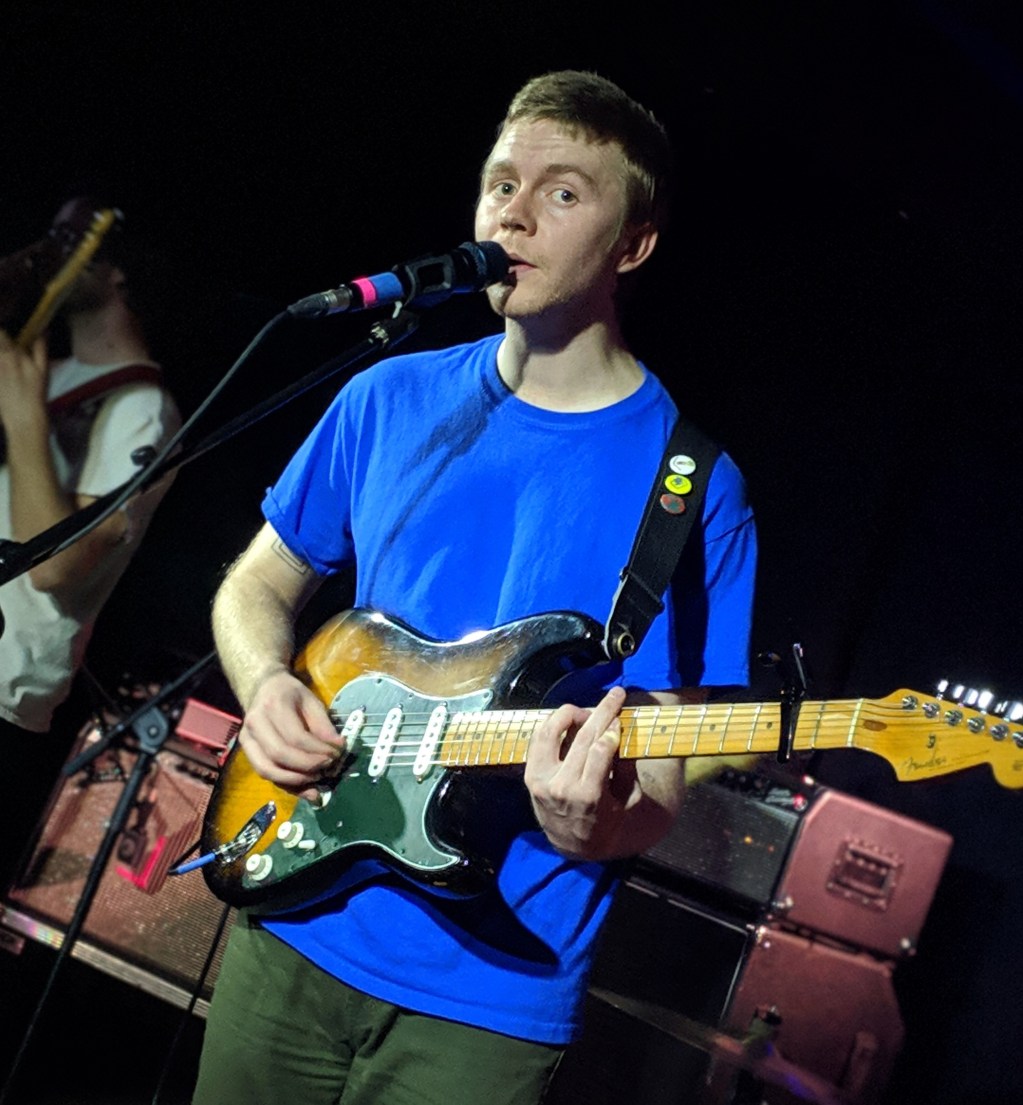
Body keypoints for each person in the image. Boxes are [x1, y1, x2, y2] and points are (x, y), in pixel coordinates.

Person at [195, 71, 757, 1105]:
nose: (513, 208)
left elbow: (673, 770)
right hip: (296, 913)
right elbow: (255, 587)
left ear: (632, 244)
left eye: (562, 192)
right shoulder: (386, 394)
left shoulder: (693, 491)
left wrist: (596, 825)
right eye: (501, 182)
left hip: (493, 994)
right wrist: (266, 683)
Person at [0, 197, 180, 892]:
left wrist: (22, 420)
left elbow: (58, 568)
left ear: (116, 273)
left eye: (73, 239)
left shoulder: (144, 410)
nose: (53, 248)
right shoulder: (45, 369)